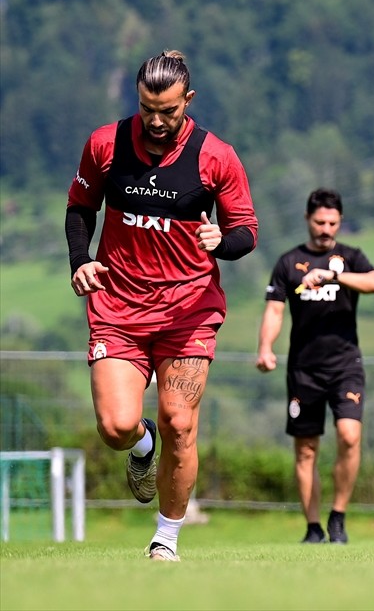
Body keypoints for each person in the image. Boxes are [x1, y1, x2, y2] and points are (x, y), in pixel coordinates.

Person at [66, 50, 258, 561]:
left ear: (187, 101)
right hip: (118, 306)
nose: (156, 121)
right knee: (115, 428)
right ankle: (141, 446)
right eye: (147, 108)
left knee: (180, 420)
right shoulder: (105, 144)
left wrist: (224, 241)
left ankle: (165, 540)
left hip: (189, 309)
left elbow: (246, 232)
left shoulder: (217, 156)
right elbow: (81, 208)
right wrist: (79, 260)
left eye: (168, 111)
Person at [256, 188, 374, 544]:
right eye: (319, 222)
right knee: (306, 448)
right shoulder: (287, 263)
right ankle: (313, 527)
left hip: (345, 365)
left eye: (332, 223)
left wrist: (335, 277)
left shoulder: (351, 257)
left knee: (349, 434)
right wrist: (266, 347)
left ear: (340, 222)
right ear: (307, 220)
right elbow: (274, 309)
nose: (326, 229)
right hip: (303, 369)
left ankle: (338, 516)